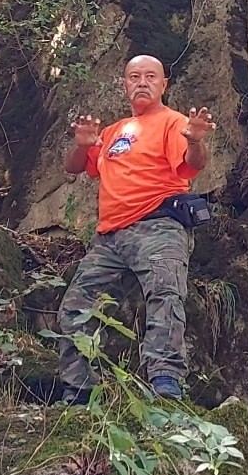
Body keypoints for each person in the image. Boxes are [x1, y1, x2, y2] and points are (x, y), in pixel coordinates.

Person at [55, 54, 216, 402]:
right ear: (125, 84)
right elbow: (75, 168)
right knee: (74, 306)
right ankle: (79, 389)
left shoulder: (173, 123)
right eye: (134, 76)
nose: (142, 82)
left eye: (150, 76)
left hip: (158, 226)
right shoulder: (114, 132)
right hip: (109, 238)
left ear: (163, 84)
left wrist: (196, 140)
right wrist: (83, 146)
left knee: (165, 295)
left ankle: (165, 380)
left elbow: (193, 164)